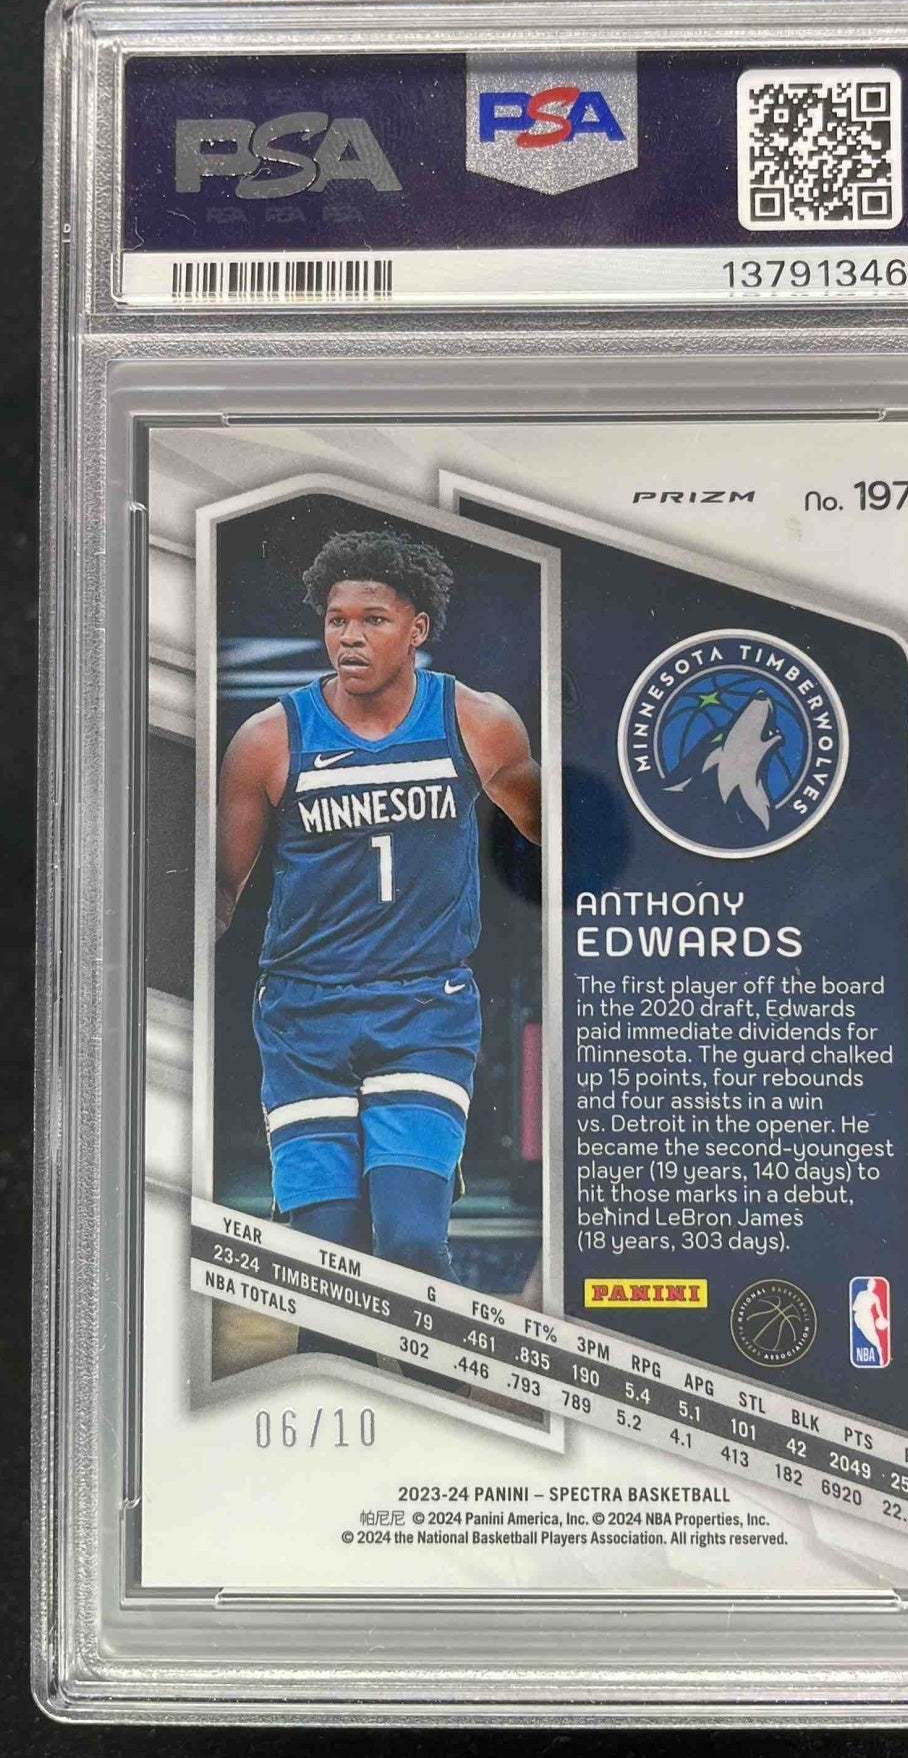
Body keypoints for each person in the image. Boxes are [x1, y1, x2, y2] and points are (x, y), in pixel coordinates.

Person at [215, 526, 541, 1320]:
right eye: (337, 620)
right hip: (303, 1017)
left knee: (411, 1243)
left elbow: (564, 850)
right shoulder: (267, 740)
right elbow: (217, 892)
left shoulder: (477, 722)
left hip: (423, 1008)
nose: (350, 637)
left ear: (417, 628)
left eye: (373, 619)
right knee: (324, 1266)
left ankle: (437, 1379)